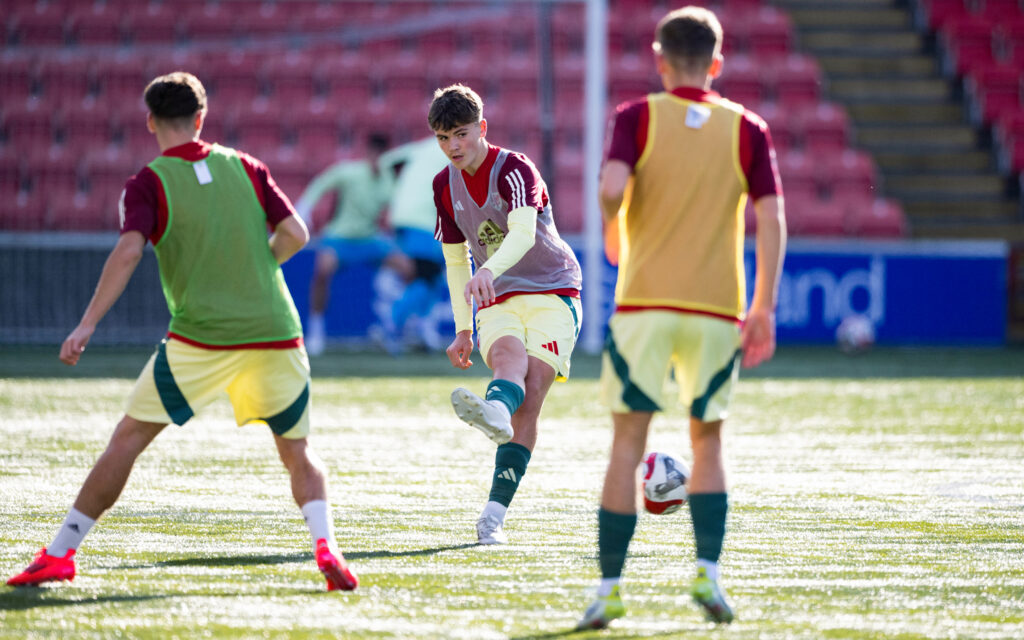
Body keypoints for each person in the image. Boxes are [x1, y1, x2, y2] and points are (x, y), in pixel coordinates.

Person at [6, 72, 358, 592]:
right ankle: (326, 545)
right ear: (201, 118)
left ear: (150, 121)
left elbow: (129, 252)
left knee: (127, 439)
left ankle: (60, 554)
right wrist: (262, 267)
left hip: (203, 338)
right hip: (276, 332)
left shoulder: (148, 182)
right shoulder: (246, 166)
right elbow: (296, 234)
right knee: (296, 451)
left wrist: (86, 324)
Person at [576, 6, 786, 630]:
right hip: (718, 307)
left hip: (645, 304)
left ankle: (610, 588)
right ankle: (709, 574)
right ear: (716, 65)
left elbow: (612, 187)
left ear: (660, 59)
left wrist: (613, 218)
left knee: (627, 443)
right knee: (708, 438)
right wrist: (764, 307)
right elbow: (772, 219)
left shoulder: (636, 117)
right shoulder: (747, 128)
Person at [428, 84, 583, 545]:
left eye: (460, 133)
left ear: (482, 129)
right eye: (442, 138)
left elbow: (522, 234)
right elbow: (456, 262)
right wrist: (461, 328)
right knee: (508, 362)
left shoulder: (515, 168)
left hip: (553, 289)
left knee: (532, 393)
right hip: (497, 294)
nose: (453, 146)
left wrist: (488, 270)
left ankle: (493, 515)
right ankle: (496, 411)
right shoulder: (443, 185)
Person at [295, 132, 412, 356]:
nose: (378, 159)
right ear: (368, 153)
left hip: (370, 239)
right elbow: (321, 183)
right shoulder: (349, 172)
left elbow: (399, 205)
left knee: (409, 269)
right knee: (322, 271)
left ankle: (403, 326)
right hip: (339, 239)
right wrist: (304, 208)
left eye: (383, 155)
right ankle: (315, 330)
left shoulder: (389, 181)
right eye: (375, 154)